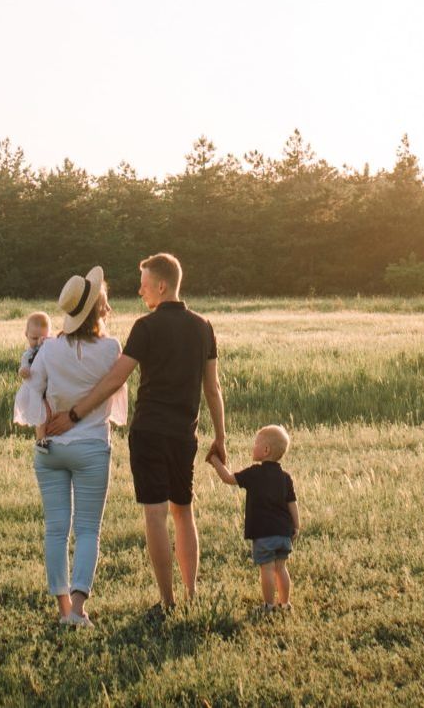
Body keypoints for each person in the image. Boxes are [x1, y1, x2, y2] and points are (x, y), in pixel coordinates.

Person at [43, 251, 224, 617]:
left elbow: (114, 379)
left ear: (161, 285)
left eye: (144, 286)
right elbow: (213, 388)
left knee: (156, 514)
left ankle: (168, 602)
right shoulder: (204, 327)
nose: (141, 293)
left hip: (149, 432)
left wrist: (75, 413)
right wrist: (220, 436)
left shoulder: (146, 327)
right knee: (184, 511)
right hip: (184, 434)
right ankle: (191, 595)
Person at [20, 266, 127, 627]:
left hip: (50, 448)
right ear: (97, 310)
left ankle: (62, 608)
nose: (108, 309)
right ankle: (79, 610)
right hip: (91, 448)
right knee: (87, 530)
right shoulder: (111, 347)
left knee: (55, 529)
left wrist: (43, 425)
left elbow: (30, 394)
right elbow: (115, 401)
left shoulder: (48, 350)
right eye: (105, 303)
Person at [206, 424, 299, 613]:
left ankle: (269, 606)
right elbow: (292, 503)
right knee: (281, 568)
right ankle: (285, 604)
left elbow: (228, 478)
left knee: (266, 569)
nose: (253, 446)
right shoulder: (285, 477)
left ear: (266, 450)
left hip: (264, 534)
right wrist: (296, 526)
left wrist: (215, 460)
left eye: (256, 443)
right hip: (283, 533)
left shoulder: (254, 473)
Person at [12, 310, 52, 426]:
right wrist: (23, 371)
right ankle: (41, 438)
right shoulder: (28, 354)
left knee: (50, 413)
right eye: (34, 338)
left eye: (43, 338)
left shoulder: (50, 348)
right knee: (38, 417)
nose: (38, 342)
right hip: (34, 389)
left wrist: (48, 343)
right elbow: (23, 366)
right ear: (26, 335)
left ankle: (50, 435)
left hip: (50, 388)